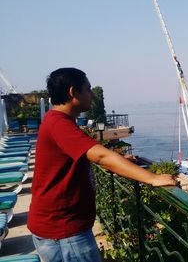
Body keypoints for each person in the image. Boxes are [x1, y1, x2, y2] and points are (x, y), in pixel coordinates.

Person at [28, 67, 176, 262]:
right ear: (73, 92)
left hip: (62, 228)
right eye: (88, 89)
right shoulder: (59, 124)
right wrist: (153, 178)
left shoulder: (57, 120)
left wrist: (122, 160)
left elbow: (87, 155)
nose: (91, 95)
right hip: (64, 232)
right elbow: (100, 156)